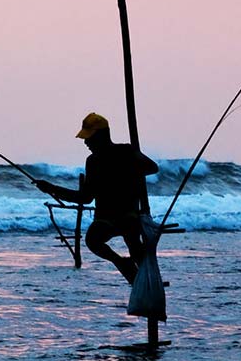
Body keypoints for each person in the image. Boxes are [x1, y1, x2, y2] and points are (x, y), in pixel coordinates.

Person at [35, 112, 159, 282]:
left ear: (101, 136)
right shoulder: (93, 161)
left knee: (134, 242)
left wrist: (130, 166)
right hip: (105, 219)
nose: (86, 142)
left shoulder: (127, 151)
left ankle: (147, 278)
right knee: (93, 240)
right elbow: (85, 197)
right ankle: (122, 264)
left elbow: (153, 168)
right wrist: (52, 189)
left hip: (129, 215)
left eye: (89, 137)